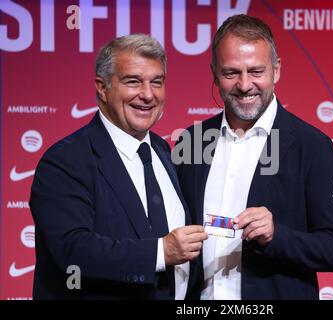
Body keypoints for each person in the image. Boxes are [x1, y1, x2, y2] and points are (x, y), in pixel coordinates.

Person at [175, 15, 333, 299]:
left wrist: (276, 235)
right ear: (214, 72)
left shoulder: (312, 146)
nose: (245, 85)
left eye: (256, 71)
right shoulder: (191, 141)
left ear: (276, 69)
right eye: (231, 73)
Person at [29, 34, 208, 299]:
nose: (147, 94)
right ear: (102, 88)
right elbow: (72, 251)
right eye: (133, 81)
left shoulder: (162, 150)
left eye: (156, 82)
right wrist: (161, 252)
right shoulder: (65, 160)